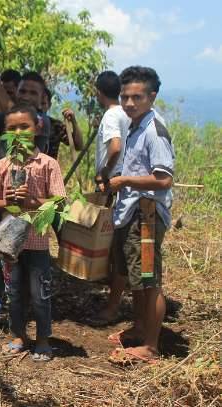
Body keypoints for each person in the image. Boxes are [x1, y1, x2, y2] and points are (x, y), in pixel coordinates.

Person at [0, 103, 66, 362]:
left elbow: (60, 203)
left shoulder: (48, 164)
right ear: (5, 133)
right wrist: (6, 201)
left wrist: (32, 201)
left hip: (38, 244)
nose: (18, 133)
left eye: (24, 127)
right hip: (10, 245)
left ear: (37, 127)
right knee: (14, 292)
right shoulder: (3, 164)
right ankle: (19, 335)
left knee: (40, 294)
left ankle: (42, 339)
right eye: (11, 129)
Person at [105, 66, 174, 365]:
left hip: (145, 215)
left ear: (152, 96)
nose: (129, 103)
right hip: (130, 212)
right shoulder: (136, 124)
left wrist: (124, 181)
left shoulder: (154, 130)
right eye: (125, 97)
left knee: (149, 280)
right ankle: (139, 328)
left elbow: (163, 179)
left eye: (137, 97)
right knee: (137, 278)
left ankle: (151, 346)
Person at [85, 71, 132, 327]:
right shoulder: (127, 113)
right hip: (124, 185)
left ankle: (113, 305)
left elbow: (114, 147)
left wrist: (104, 172)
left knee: (117, 245)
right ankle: (116, 294)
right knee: (117, 244)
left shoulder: (112, 114)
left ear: (98, 92)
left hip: (116, 185)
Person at [41, 88, 84, 160]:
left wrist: (73, 122)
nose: (40, 107)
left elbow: (78, 146)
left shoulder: (56, 126)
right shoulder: (23, 124)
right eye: (37, 103)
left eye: (43, 104)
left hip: (49, 170)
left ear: (49, 105)